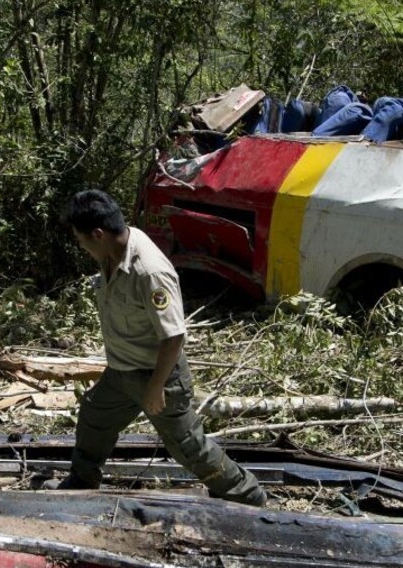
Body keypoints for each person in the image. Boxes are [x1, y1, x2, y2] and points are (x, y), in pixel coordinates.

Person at [46, 190, 267, 506]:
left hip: (157, 374)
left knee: (187, 445)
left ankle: (247, 494)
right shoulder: (111, 253)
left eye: (82, 241)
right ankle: (82, 480)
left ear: (98, 234)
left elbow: (174, 336)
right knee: (94, 418)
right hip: (122, 371)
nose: (82, 247)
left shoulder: (149, 271)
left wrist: (156, 386)